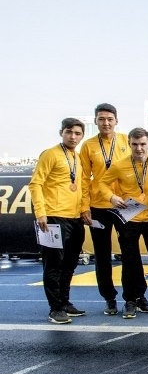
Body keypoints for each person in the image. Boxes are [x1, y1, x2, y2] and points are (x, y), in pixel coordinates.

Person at [100, 128, 148, 318]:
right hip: (130, 218)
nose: (139, 148)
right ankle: (130, 300)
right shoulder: (119, 165)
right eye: (134, 144)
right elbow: (101, 183)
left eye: (143, 144)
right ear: (129, 145)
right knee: (130, 260)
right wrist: (111, 197)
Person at [29, 118, 86, 324]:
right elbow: (36, 184)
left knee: (70, 264)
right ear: (61, 132)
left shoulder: (77, 157)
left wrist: (83, 210)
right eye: (69, 132)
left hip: (74, 218)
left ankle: (64, 301)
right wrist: (40, 212)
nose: (73, 137)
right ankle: (55, 308)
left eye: (77, 133)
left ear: (82, 136)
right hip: (53, 217)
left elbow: (79, 187)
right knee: (53, 264)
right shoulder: (50, 154)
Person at [78, 103, 129, 315]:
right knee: (102, 255)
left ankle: (134, 296)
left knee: (130, 253)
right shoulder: (88, 146)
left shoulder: (127, 140)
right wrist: (84, 207)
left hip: (124, 206)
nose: (106, 123)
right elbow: (83, 178)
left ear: (116, 121)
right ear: (96, 121)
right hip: (98, 206)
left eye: (109, 119)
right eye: (101, 119)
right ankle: (109, 298)